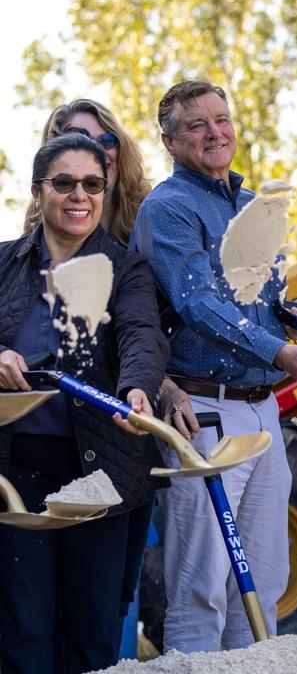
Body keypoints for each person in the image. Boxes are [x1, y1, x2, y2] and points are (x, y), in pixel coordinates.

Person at [130, 80, 297, 652]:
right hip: (204, 412)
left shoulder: (250, 207)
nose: (215, 133)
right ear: (171, 142)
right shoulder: (167, 209)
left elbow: (252, 302)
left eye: (221, 119)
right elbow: (196, 303)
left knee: (263, 587)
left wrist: (288, 319)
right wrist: (277, 351)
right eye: (197, 125)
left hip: (266, 411)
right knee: (201, 591)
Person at [0, 133, 168, 673]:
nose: (80, 195)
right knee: (22, 629)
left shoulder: (128, 269)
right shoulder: (3, 264)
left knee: (94, 633)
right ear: (37, 191)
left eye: (93, 184)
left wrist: (136, 388)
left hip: (101, 468)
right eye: (64, 182)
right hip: (15, 469)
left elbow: (144, 335)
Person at [29, 97, 195, 644]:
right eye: (67, 171)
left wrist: (150, 385)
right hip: (50, 442)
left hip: (127, 434)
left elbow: (144, 334)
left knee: (105, 610)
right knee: (30, 617)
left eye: (102, 144)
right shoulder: (25, 253)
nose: (82, 183)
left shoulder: (143, 232)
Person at [25, 99, 151, 245]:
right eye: (80, 141)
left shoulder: (153, 220)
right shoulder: (15, 256)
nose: (96, 152)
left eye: (106, 141)